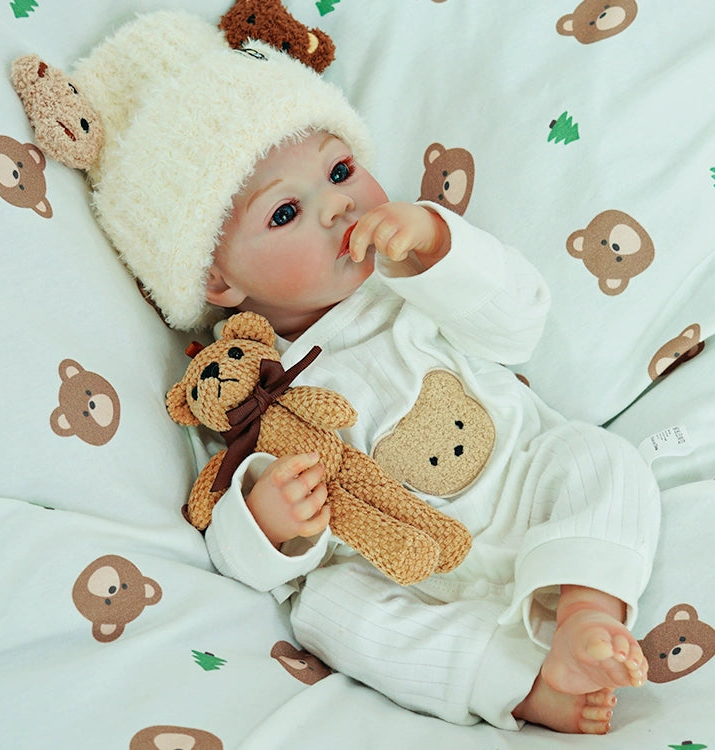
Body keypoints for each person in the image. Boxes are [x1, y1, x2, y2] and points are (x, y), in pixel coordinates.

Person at [84, 11, 660, 736]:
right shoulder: (246, 383)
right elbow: (236, 548)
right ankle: (521, 682)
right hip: (405, 578)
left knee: (601, 460)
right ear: (218, 282)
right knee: (328, 613)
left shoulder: (409, 276)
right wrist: (265, 524)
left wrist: (440, 249)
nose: (338, 205)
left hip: (524, 489)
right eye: (287, 212)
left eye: (340, 169)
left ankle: (584, 610)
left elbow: (520, 324)